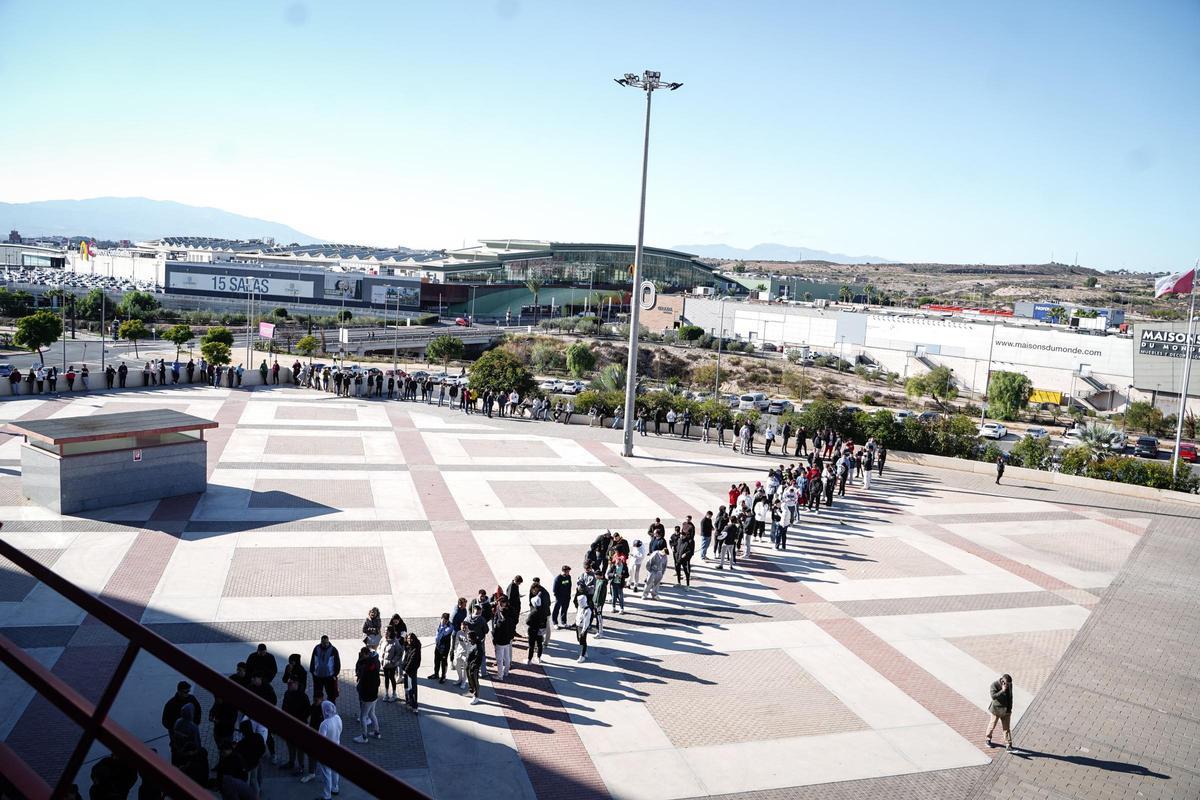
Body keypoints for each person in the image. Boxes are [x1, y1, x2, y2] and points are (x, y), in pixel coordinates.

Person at [281, 678, 310, 776]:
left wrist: (299, 720)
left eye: (291, 684)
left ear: (296, 684)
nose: (288, 685)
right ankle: (291, 762)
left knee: (299, 747)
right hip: (289, 724)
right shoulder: (287, 693)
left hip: (299, 725)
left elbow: (307, 710)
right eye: (288, 684)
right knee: (290, 745)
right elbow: (284, 707)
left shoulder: (303, 696)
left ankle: (301, 766)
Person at [352, 647, 382, 742]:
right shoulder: (375, 667)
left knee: (363, 717)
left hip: (367, 697)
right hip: (374, 695)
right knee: (372, 713)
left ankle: (364, 736)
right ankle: (377, 732)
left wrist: (362, 692)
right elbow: (377, 682)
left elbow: (363, 684)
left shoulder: (367, 671)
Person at [317, 700, 343, 800]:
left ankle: (327, 795)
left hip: (327, 752)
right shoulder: (338, 718)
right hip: (337, 747)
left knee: (326, 773)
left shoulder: (324, 724)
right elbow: (340, 730)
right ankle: (335, 788)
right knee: (335, 770)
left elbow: (321, 740)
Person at [986, 673, 1014, 750]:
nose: (1008, 685)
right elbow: (993, 696)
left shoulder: (1010, 685)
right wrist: (1002, 690)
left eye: (1009, 684)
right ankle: (988, 739)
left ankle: (1008, 744)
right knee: (992, 725)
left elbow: (1010, 697)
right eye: (1007, 683)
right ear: (1003, 681)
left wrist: (1010, 709)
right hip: (996, 710)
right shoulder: (994, 685)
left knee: (1006, 729)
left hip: (1006, 711)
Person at [309, 635, 341, 700]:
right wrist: (312, 672)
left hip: (329, 677)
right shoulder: (316, 648)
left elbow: (337, 662)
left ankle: (331, 707)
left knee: (331, 695)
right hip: (318, 676)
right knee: (317, 694)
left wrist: (335, 674)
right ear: (321, 642)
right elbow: (313, 660)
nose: (326, 644)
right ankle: (319, 707)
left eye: (327, 642)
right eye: (324, 643)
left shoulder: (333, 650)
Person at [526, 578, 551, 662]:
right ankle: (539, 657)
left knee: (532, 644)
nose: (533, 592)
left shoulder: (543, 594)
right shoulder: (541, 592)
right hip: (542, 618)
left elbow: (528, 622)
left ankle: (530, 659)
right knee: (540, 639)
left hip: (535, 626)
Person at [401, 632, 422, 713]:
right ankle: (408, 701)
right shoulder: (408, 646)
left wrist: (405, 669)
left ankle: (414, 706)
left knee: (412, 688)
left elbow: (411, 661)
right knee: (407, 687)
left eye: (411, 639)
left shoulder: (415, 649)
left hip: (411, 671)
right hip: (407, 670)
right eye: (408, 639)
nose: (409, 640)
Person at [432, 612, 453, 682]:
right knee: (436, 660)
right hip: (438, 645)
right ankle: (436, 674)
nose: (444, 622)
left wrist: (442, 626)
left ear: (447, 620)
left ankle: (443, 676)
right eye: (443, 620)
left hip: (445, 647)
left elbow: (443, 633)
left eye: (445, 621)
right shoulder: (441, 624)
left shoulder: (450, 627)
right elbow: (437, 633)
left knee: (443, 662)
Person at [575, 591, 596, 663]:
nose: (578, 602)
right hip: (578, 625)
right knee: (579, 639)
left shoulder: (587, 610)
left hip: (582, 627)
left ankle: (582, 656)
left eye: (580, 601)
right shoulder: (580, 607)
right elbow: (578, 614)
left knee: (583, 641)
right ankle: (584, 651)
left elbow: (586, 622)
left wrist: (583, 631)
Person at [382, 633, 401, 702]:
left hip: (392, 664)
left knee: (392, 678)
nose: (385, 633)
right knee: (386, 678)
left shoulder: (395, 641)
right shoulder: (383, 640)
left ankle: (394, 694)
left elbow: (399, 652)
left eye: (387, 631)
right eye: (385, 631)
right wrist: (381, 658)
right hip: (384, 663)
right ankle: (386, 693)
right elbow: (380, 648)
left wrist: (393, 661)